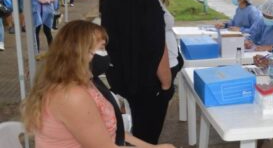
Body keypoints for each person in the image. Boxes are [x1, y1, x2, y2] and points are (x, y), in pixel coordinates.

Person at [21, 20, 174, 148]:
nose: (106, 54)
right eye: (101, 48)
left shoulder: (86, 81)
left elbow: (113, 132)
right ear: (79, 52)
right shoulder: (71, 95)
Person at [101, 0, 173, 144]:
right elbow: (157, 47)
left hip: (121, 75)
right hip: (147, 81)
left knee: (133, 130)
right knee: (147, 136)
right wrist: (167, 85)